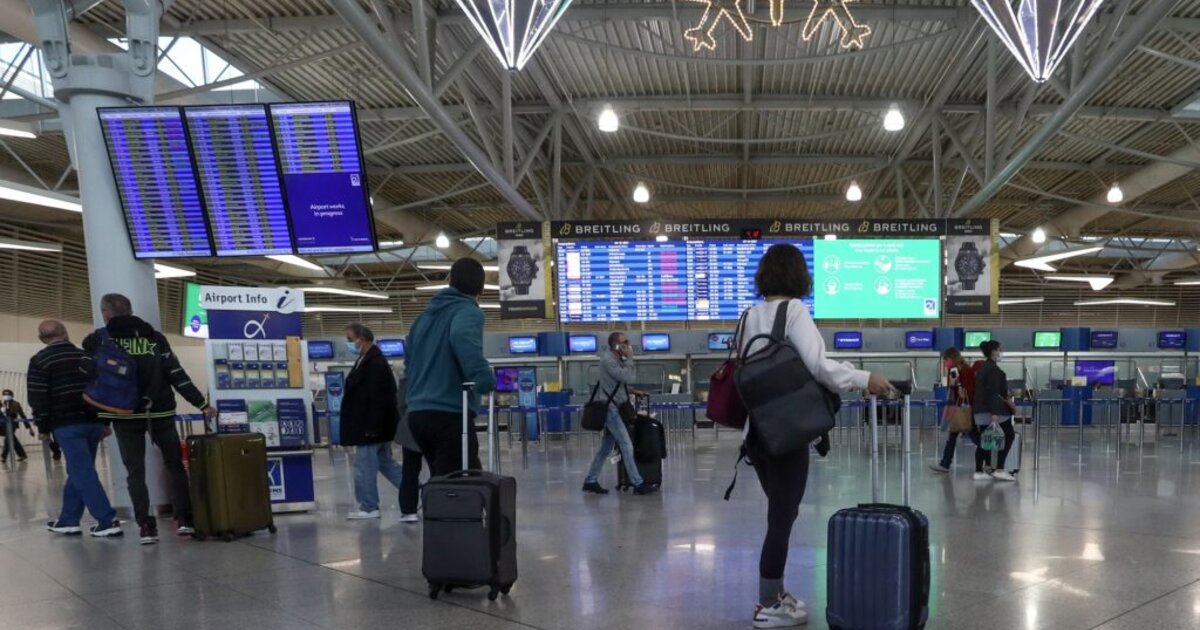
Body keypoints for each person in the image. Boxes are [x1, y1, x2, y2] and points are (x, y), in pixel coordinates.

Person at [740, 244, 896, 629]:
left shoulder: (748, 316)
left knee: (782, 512)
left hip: (757, 432)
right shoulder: (794, 311)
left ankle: (776, 594)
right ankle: (767, 604)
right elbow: (819, 367)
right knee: (782, 517)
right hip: (787, 432)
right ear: (798, 275)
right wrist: (865, 378)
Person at [81, 293, 216, 544]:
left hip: (124, 414)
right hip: (160, 411)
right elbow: (176, 374)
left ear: (105, 313)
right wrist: (202, 404)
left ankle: (146, 527)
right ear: (131, 311)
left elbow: (89, 380)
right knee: (174, 465)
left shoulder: (98, 339)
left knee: (135, 471)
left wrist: (101, 421)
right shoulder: (155, 338)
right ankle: (184, 519)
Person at [28, 320, 122, 538]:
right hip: (92, 422)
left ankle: (107, 520)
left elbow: (38, 398)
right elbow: (103, 390)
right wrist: (105, 422)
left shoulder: (40, 360)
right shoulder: (85, 356)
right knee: (79, 470)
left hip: (66, 424)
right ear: (65, 333)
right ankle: (68, 520)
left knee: (82, 471)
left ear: (41, 339)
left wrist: (43, 427)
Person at [405, 258, 496, 476]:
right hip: (448, 412)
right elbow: (461, 337)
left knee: (443, 480)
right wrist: (483, 378)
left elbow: (409, 360)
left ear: (451, 282)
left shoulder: (423, 318)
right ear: (481, 289)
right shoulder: (468, 311)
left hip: (417, 414)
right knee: (463, 483)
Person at [340, 323, 405, 520]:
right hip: (375, 426)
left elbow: (380, 398)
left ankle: (369, 507)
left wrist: (372, 428)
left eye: (350, 339)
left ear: (362, 339)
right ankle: (416, 491)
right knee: (386, 463)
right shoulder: (365, 360)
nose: (348, 343)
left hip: (371, 427)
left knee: (364, 468)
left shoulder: (375, 363)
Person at [580, 332, 657, 496]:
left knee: (605, 448)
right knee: (626, 445)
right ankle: (638, 483)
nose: (628, 345)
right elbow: (628, 377)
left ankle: (590, 480)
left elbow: (618, 384)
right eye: (624, 342)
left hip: (615, 407)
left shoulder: (615, 360)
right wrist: (630, 358)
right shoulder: (608, 360)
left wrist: (632, 391)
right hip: (611, 410)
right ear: (616, 345)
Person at [973, 340, 1017, 482]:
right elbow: (993, 393)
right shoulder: (993, 370)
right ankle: (999, 468)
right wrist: (995, 413)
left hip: (981, 410)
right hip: (990, 410)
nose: (1000, 352)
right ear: (993, 351)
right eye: (999, 350)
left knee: (985, 439)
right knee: (1009, 434)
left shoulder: (984, 368)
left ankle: (979, 471)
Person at [929, 347, 978, 473]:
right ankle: (945, 463)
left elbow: (968, 391)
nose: (945, 363)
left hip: (966, 409)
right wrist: (952, 384)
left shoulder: (966, 371)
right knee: (953, 436)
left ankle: (990, 459)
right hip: (958, 409)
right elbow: (952, 390)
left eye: (946, 360)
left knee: (974, 436)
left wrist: (956, 385)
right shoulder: (954, 371)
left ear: (952, 358)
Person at [393, 362, 423, 524]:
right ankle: (438, 504)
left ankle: (409, 511)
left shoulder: (407, 378)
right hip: (437, 422)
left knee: (410, 470)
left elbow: (401, 404)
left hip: (412, 426)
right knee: (438, 468)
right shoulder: (435, 372)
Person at [0, 388, 32, 462]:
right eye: (4, 394)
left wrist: (29, 427)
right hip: (2, 425)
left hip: (12, 424)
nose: (6, 396)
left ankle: (3, 456)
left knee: (9, 438)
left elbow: (22, 415)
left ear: (11, 395)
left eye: (8, 394)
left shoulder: (16, 404)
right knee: (12, 439)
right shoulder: (1, 403)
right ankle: (22, 455)